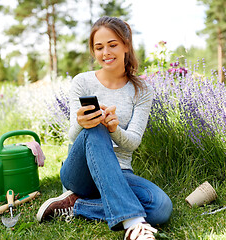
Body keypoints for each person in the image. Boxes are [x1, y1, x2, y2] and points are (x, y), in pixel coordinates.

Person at [36, 16, 172, 240]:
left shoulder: (142, 90)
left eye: (112, 45)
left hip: (119, 172)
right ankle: (134, 223)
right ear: (93, 51)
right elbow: (72, 136)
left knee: (160, 208)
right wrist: (84, 124)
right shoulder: (82, 82)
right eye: (99, 47)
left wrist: (114, 129)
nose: (106, 52)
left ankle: (76, 206)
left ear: (126, 45)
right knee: (95, 126)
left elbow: (133, 142)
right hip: (80, 173)